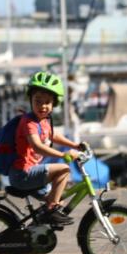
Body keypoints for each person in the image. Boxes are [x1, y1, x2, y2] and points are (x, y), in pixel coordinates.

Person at [10, 71, 87, 225]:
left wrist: (75, 145)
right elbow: (37, 146)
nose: (43, 106)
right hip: (22, 174)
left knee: (57, 198)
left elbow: (53, 135)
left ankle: (39, 227)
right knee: (64, 170)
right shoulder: (29, 123)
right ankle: (50, 211)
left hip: (32, 171)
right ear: (30, 100)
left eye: (47, 102)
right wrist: (64, 155)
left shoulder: (43, 121)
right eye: (38, 101)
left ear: (54, 104)